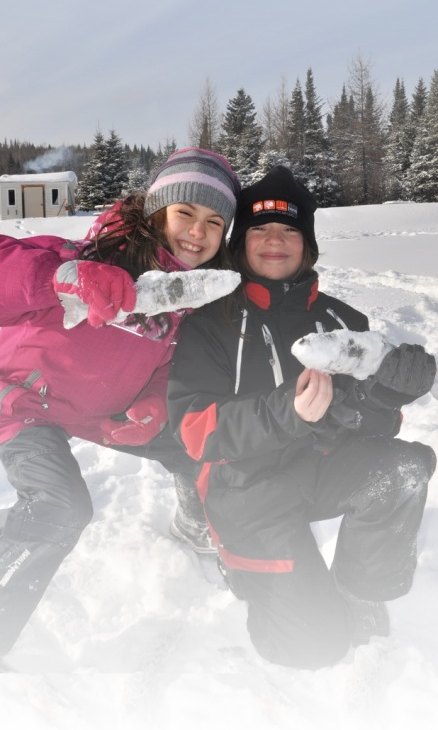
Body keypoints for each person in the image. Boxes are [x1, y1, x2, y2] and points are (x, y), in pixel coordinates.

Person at [167, 166, 437, 669]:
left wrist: (386, 395)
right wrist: (285, 411)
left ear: (307, 244)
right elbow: (196, 431)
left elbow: (377, 427)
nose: (275, 241)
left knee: (402, 468)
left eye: (289, 230)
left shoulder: (345, 322)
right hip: (245, 488)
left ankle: (362, 590)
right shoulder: (209, 323)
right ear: (239, 243)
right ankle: (243, 569)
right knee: (312, 648)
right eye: (260, 230)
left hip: (319, 470)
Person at [0, 147, 241, 660]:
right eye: (185, 213)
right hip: (21, 404)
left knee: (202, 439)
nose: (198, 231)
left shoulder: (187, 302)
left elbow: (170, 364)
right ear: (156, 212)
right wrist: (57, 277)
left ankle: (196, 523)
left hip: (97, 415)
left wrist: (154, 400)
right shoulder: (82, 258)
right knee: (61, 509)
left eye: (214, 221)